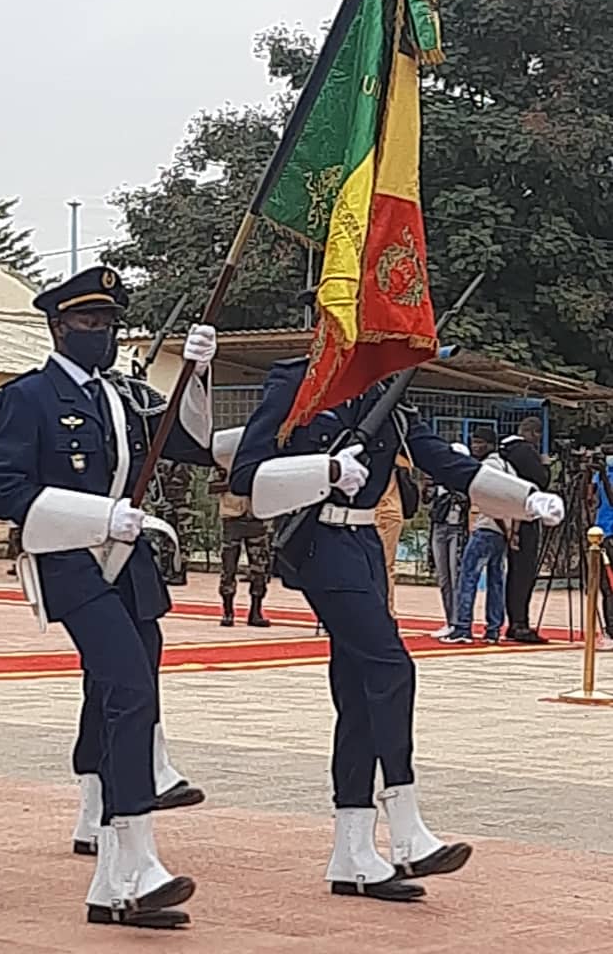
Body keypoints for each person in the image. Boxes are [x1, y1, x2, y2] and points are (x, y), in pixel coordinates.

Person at [229, 358, 563, 903]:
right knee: (391, 667)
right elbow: (247, 474)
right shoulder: (294, 381)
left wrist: (524, 498)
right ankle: (405, 827)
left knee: (360, 693)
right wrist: (325, 472)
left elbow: (444, 463)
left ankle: (353, 852)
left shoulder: (386, 393)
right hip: (319, 545)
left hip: (363, 548)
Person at [0, 267, 217, 929]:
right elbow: (7, 495)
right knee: (128, 688)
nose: (103, 334)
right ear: (58, 326)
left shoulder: (124, 396)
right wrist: (96, 520)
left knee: (131, 693)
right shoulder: (25, 398)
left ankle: (113, 881)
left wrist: (196, 378)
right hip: (72, 564)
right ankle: (139, 859)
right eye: (91, 323)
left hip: (129, 566)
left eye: (111, 324)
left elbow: (193, 446)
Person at [442, 428, 515, 645]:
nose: (475, 446)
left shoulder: (487, 468)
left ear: (492, 444)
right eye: (474, 442)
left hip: (487, 527)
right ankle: (493, 629)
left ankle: (462, 627)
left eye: (480, 442)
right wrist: (511, 531)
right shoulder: (508, 467)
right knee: (496, 580)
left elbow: (487, 500)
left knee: (468, 577)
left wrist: (500, 522)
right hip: (502, 531)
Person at [501, 417, 551, 644]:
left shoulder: (503, 450)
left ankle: (510, 620)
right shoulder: (525, 452)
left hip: (501, 515)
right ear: (534, 433)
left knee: (506, 572)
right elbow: (542, 480)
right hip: (525, 516)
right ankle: (520, 623)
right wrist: (544, 465)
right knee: (523, 571)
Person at [209, 466, 271, 628]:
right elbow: (212, 486)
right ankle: (228, 611)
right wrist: (235, 481)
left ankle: (256, 611)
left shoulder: (262, 462)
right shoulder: (224, 462)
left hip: (256, 516)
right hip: (232, 517)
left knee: (259, 568)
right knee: (228, 567)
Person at [422, 442, 470, 639]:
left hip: (457, 528)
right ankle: (449, 620)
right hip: (440, 527)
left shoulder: (465, 481)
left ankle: (459, 622)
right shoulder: (438, 481)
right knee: (443, 578)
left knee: (455, 577)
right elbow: (426, 500)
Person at [374, 452, 415, 618]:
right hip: (387, 512)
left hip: (383, 512)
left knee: (382, 565)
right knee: (385, 565)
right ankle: (385, 608)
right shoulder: (403, 459)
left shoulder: (384, 456)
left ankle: (386, 609)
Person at [590, 439, 613, 650]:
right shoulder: (602, 471)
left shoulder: (607, 472)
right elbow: (590, 498)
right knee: (605, 586)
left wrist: (605, 474)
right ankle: (609, 629)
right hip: (601, 531)